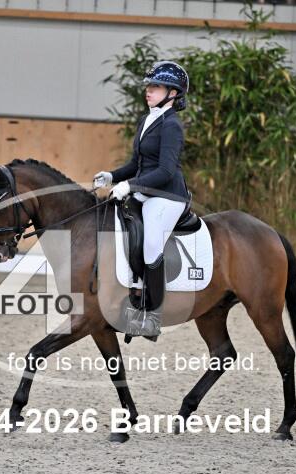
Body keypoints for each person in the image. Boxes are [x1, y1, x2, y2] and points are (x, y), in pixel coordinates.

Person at [93, 60, 190, 338]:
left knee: (151, 245)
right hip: (145, 190)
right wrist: (112, 176)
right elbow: (136, 163)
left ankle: (152, 317)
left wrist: (130, 185)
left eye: (156, 87)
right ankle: (131, 292)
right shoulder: (147, 119)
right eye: (149, 86)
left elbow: (165, 171)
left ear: (173, 93)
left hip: (168, 195)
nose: (148, 91)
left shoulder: (172, 125)